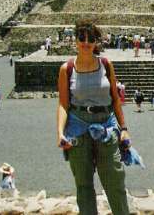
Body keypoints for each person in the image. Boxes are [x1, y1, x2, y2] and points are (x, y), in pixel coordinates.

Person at [57, 19, 131, 215]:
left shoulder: (106, 64)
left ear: (97, 42)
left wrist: (124, 129)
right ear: (75, 40)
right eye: (82, 37)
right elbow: (63, 104)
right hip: (78, 129)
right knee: (84, 186)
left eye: (91, 38)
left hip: (106, 126)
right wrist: (60, 132)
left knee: (115, 181)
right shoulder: (67, 69)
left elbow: (115, 99)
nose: (86, 42)